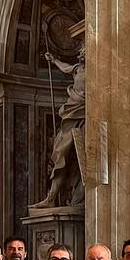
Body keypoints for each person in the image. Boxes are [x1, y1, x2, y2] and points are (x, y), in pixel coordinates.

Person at [30, 47, 86, 208]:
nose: (83, 54)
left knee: (83, 158)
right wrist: (53, 60)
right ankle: (51, 197)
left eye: (86, 51)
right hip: (72, 112)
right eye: (82, 52)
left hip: (88, 114)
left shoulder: (101, 68)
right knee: (61, 154)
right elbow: (65, 67)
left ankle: (81, 199)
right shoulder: (77, 69)